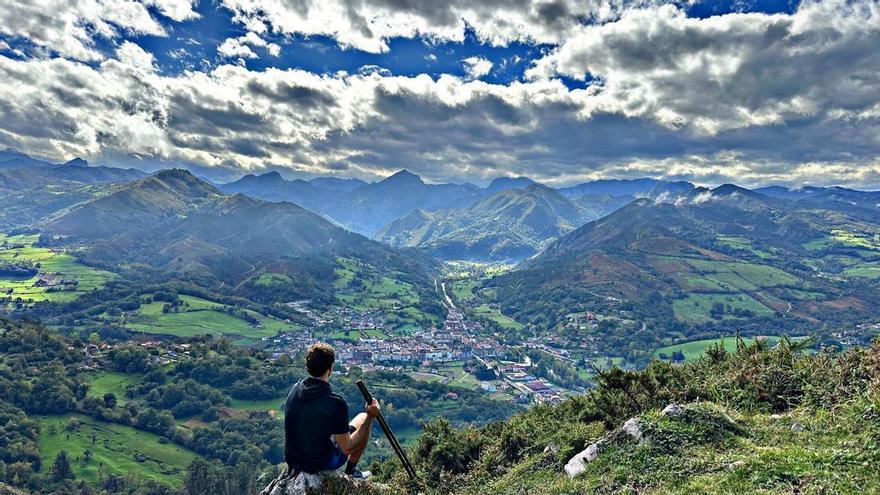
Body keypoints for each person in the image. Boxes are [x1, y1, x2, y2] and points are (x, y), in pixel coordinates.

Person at [284, 343, 379, 478]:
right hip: (321, 463)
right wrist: (371, 417)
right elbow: (348, 447)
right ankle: (351, 473)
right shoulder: (334, 403)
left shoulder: (295, 389)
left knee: (354, 422)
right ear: (330, 368)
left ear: (308, 367)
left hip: (294, 460)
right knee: (364, 418)